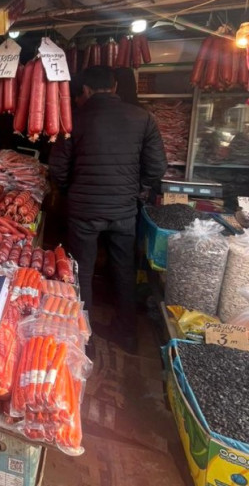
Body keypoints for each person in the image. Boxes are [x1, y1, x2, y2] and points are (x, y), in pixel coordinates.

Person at [49, 66, 167, 354]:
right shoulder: (143, 118)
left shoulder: (72, 120)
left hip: (83, 211)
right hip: (124, 211)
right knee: (124, 270)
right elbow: (157, 169)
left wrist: (70, 191)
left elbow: (58, 169)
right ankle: (127, 334)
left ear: (86, 90)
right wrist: (134, 189)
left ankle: (82, 340)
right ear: (114, 87)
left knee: (81, 273)